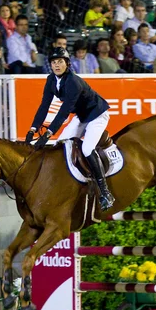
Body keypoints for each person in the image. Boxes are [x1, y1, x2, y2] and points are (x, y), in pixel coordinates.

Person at [25, 47, 115, 211]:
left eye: (60, 62)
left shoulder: (73, 81)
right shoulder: (51, 80)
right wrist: (32, 129)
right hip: (81, 116)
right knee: (61, 145)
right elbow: (44, 106)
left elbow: (64, 111)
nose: (56, 65)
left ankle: (105, 192)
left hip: (96, 114)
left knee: (87, 149)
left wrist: (48, 134)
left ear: (67, 63)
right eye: (53, 62)